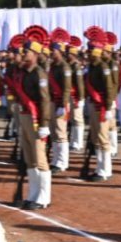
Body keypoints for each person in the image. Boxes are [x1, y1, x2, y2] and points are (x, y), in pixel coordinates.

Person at [14, 38, 52, 209]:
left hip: (36, 120)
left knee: (40, 158)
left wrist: (44, 124)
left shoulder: (39, 73)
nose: (23, 54)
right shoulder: (24, 72)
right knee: (29, 158)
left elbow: (44, 100)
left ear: (35, 54)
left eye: (27, 52)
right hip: (24, 116)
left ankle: (43, 197)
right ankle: (33, 193)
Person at [84, 26, 117, 182]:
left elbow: (110, 87)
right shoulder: (92, 66)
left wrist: (109, 107)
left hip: (102, 106)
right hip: (94, 105)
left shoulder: (103, 67)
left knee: (103, 139)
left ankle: (105, 170)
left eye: (90, 50)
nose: (88, 53)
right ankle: (99, 167)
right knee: (96, 138)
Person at [47, 29, 72, 173]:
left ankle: (62, 162)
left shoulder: (64, 67)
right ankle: (56, 160)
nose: (51, 53)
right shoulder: (53, 66)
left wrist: (63, 104)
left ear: (60, 51)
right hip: (52, 102)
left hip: (60, 103)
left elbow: (67, 88)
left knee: (61, 132)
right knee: (54, 131)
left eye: (54, 50)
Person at [67, 36, 86, 152]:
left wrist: (80, 98)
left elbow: (79, 83)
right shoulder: (69, 65)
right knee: (73, 119)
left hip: (76, 96)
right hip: (71, 95)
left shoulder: (76, 66)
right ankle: (74, 140)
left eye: (68, 53)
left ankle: (78, 142)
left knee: (78, 118)